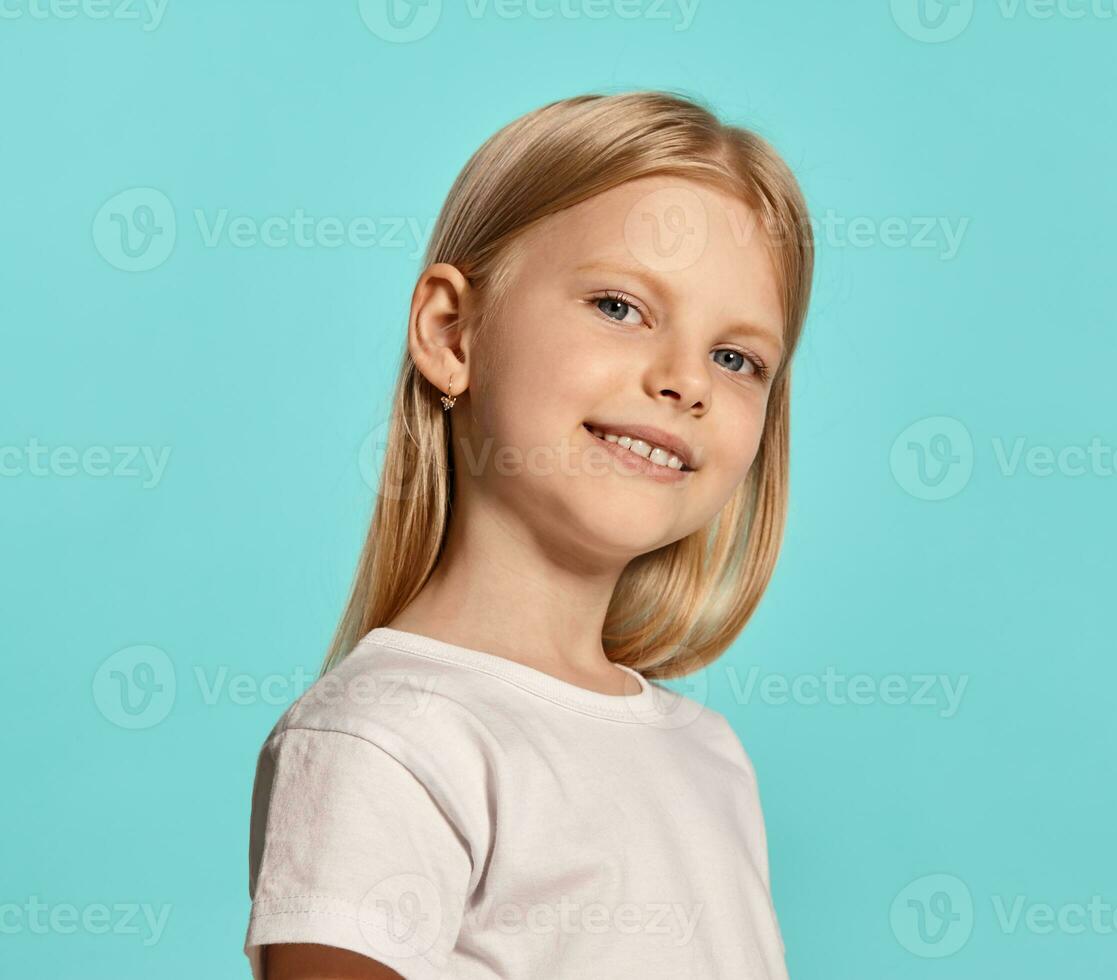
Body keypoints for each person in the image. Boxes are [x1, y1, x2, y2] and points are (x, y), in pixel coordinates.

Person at [242, 89, 814, 979]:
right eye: (621, 307)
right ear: (451, 333)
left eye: (736, 358)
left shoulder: (710, 758)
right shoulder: (388, 739)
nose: (685, 382)